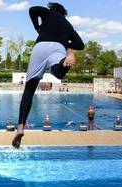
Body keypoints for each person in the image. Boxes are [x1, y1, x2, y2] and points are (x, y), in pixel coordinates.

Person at [12, 2, 85, 148]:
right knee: (57, 73)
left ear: (52, 9)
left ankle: (20, 127)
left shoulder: (47, 13)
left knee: (29, 89)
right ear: (63, 12)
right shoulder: (68, 25)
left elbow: (32, 9)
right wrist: (67, 44)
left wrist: (37, 27)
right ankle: (65, 60)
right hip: (58, 49)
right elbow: (80, 45)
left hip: (40, 47)